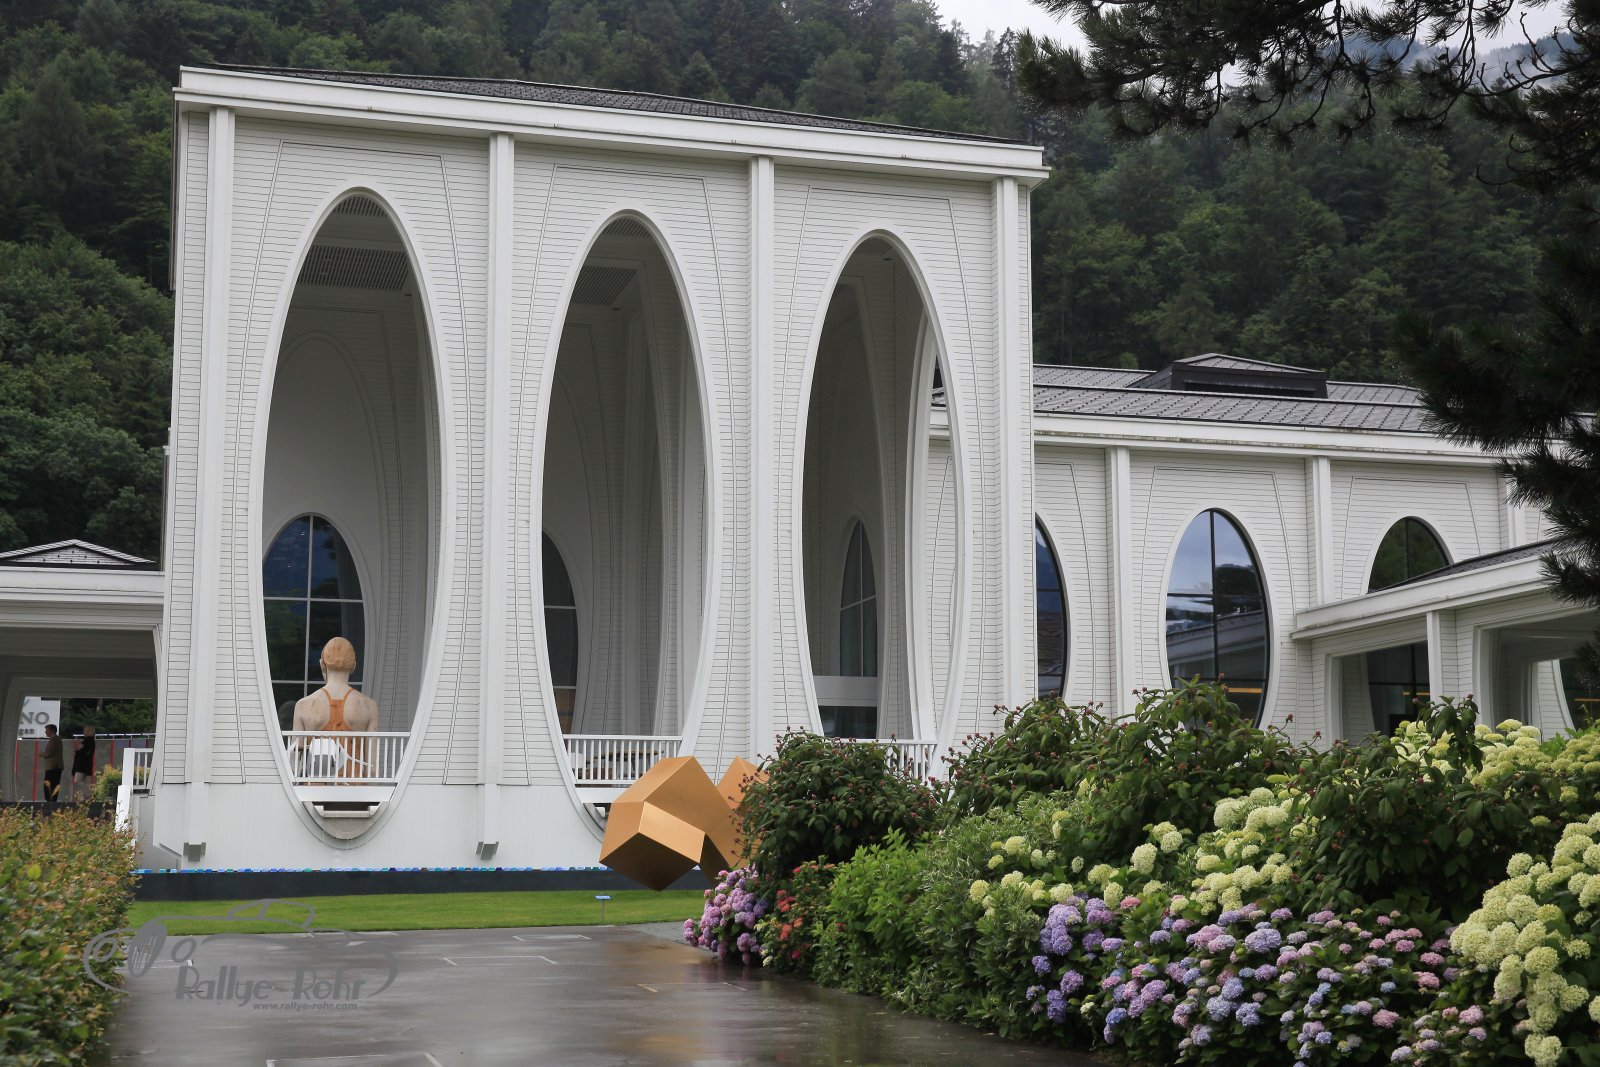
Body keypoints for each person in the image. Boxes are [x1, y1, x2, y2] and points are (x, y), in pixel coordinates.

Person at [290, 638, 379, 781]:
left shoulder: (303, 705)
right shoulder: (369, 706)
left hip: (315, 788)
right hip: (354, 788)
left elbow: (295, 761)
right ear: (354, 666)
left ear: (322, 664)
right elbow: (372, 769)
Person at [71, 725, 96, 801]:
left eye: (86, 731)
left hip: (82, 765)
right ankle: (82, 798)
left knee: (77, 780)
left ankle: (88, 795)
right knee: (82, 781)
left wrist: (76, 753)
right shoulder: (89, 741)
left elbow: (85, 751)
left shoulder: (88, 741)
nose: (84, 733)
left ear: (90, 732)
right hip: (84, 765)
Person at [40, 723, 63, 802]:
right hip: (56, 766)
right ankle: (52, 801)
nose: (45, 732)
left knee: (49, 785)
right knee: (54, 785)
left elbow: (49, 753)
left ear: (52, 730)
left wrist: (41, 754)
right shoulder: (57, 739)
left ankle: (50, 802)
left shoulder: (54, 739)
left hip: (53, 766)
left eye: (47, 730)